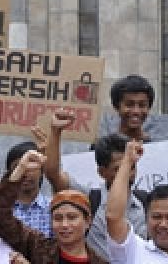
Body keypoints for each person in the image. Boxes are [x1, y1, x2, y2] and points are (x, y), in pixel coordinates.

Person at [43, 109, 145, 257]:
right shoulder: (89, 199)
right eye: (119, 169)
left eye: (131, 166)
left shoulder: (146, 202)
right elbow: (53, 174)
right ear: (102, 172)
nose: (127, 173)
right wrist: (55, 131)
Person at [0, 150, 107, 264]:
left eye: (72, 217)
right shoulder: (40, 248)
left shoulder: (99, 261)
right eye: (58, 218)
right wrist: (20, 168)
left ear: (87, 221)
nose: (64, 225)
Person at [103, 141, 168, 263]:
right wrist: (127, 161)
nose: (163, 224)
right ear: (146, 218)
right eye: (156, 217)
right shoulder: (132, 250)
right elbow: (113, 216)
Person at [3, 141, 53, 238]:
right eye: (18, 168)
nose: (25, 173)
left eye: (31, 168)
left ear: (42, 170)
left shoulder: (54, 209)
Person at [108, 77, 154, 143]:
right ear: (116, 106)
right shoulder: (104, 147)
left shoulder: (158, 146)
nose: (136, 111)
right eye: (129, 105)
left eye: (142, 105)